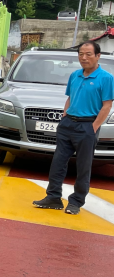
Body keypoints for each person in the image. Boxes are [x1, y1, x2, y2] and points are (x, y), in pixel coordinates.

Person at [33, 41, 114, 215]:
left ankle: (76, 201)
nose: (83, 58)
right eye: (80, 54)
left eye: (88, 54)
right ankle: (53, 197)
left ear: (98, 56)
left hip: (87, 126)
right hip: (68, 124)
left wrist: (94, 127)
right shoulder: (75, 75)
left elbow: (107, 105)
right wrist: (64, 116)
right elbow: (70, 98)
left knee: (83, 167)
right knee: (58, 162)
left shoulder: (106, 78)